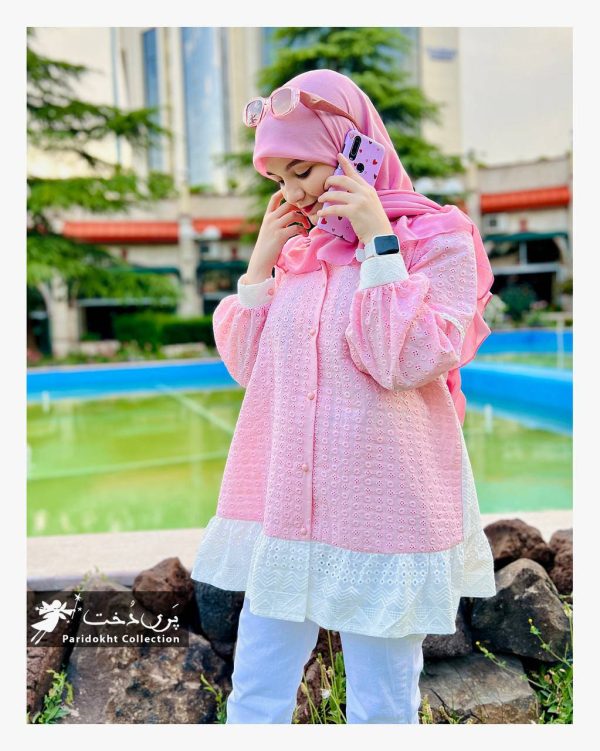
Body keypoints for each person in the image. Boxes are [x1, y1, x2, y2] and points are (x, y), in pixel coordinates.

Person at [190, 68, 497, 724]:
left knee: (381, 707)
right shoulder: (301, 255)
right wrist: (261, 263)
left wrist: (378, 242)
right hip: (285, 509)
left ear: (355, 148)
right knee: (256, 692)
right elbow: (250, 369)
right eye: (278, 180)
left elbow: (402, 359)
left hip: (383, 513)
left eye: (302, 169)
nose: (294, 193)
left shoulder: (439, 240)